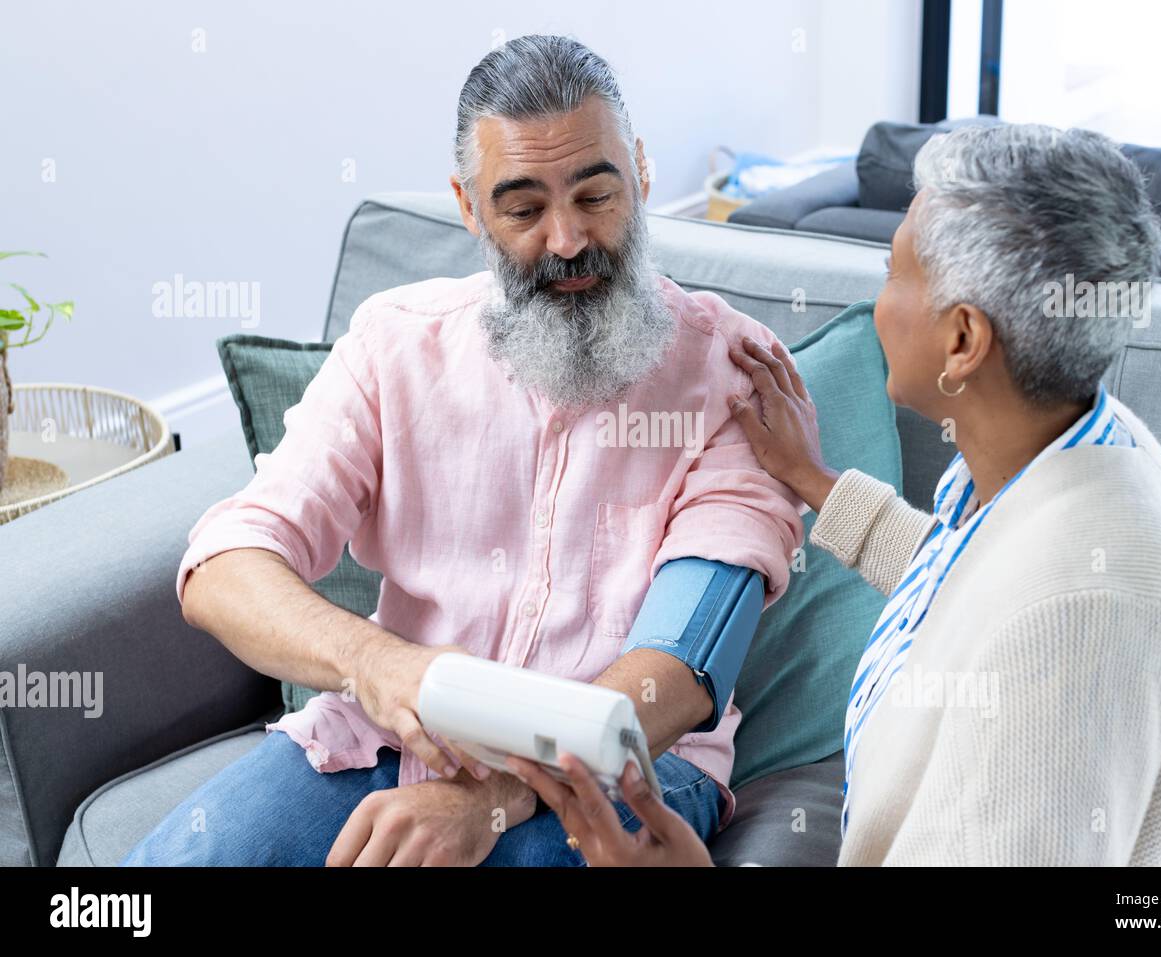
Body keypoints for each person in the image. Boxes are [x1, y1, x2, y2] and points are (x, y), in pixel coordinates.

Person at [506, 122, 1161, 866]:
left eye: (894, 271)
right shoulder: (1068, 443)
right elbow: (969, 584)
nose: (878, 298)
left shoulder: (1073, 621)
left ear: (962, 340)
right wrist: (813, 479)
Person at [120, 35, 803, 867]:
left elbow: (683, 669)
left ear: (643, 174)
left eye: (596, 194)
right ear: (469, 206)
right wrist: (376, 661)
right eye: (522, 209)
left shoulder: (734, 373)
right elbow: (225, 565)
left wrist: (491, 800)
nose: (566, 238)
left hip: (631, 771)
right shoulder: (393, 345)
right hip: (387, 739)